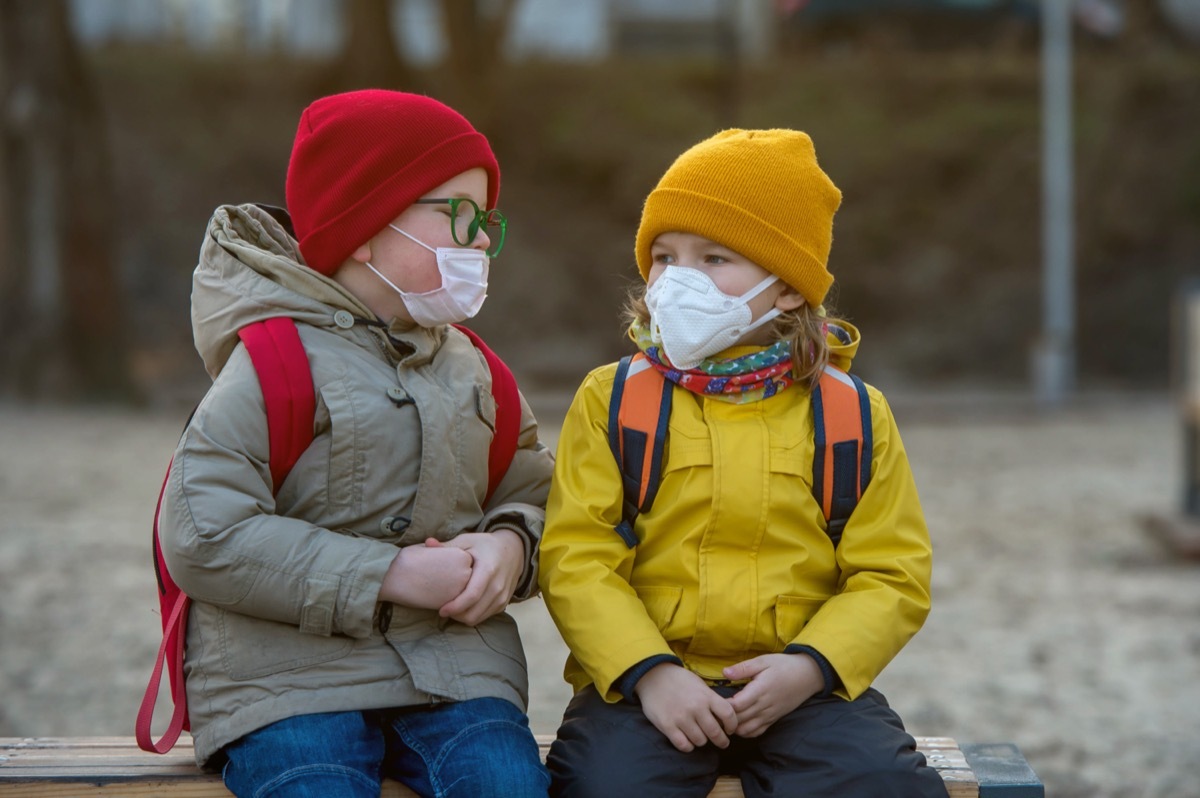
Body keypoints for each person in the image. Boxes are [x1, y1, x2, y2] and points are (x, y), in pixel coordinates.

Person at [158, 89, 554, 798]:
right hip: (285, 683)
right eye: (460, 217)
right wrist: (386, 576)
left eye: (488, 221)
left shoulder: (477, 369)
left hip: (455, 675)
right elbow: (202, 531)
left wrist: (512, 548)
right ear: (366, 228)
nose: (481, 243)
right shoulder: (276, 362)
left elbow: (536, 491)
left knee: (507, 784)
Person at [538, 129, 948, 798]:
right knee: (601, 787)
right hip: (644, 688)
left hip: (804, 689)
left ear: (787, 288)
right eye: (664, 257)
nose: (679, 280)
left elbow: (892, 574)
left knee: (881, 785)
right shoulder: (611, 399)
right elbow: (574, 557)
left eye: (715, 258)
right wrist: (647, 670)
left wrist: (813, 667)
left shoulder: (851, 412)